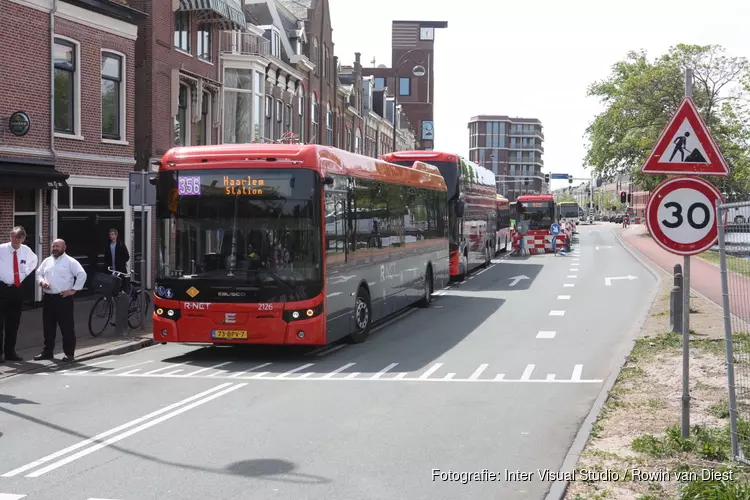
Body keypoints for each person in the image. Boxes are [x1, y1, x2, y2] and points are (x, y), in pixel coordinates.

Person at [34, 239, 87, 362]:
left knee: (67, 327)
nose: (55, 248)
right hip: (48, 298)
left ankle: (69, 354)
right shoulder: (47, 261)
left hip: (63, 299)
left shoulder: (70, 261)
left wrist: (74, 290)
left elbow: (81, 274)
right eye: (53, 246)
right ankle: (47, 351)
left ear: (64, 247)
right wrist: (42, 282)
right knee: (48, 327)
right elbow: (38, 273)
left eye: (57, 246)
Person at [0, 226, 38, 362]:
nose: (14, 239)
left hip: (17, 289)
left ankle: (10, 352)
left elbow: (34, 261)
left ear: (23, 238)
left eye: (18, 237)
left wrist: (25, 273)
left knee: (13, 322)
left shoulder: (26, 250)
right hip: (2, 288)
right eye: (13, 236)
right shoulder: (2, 249)